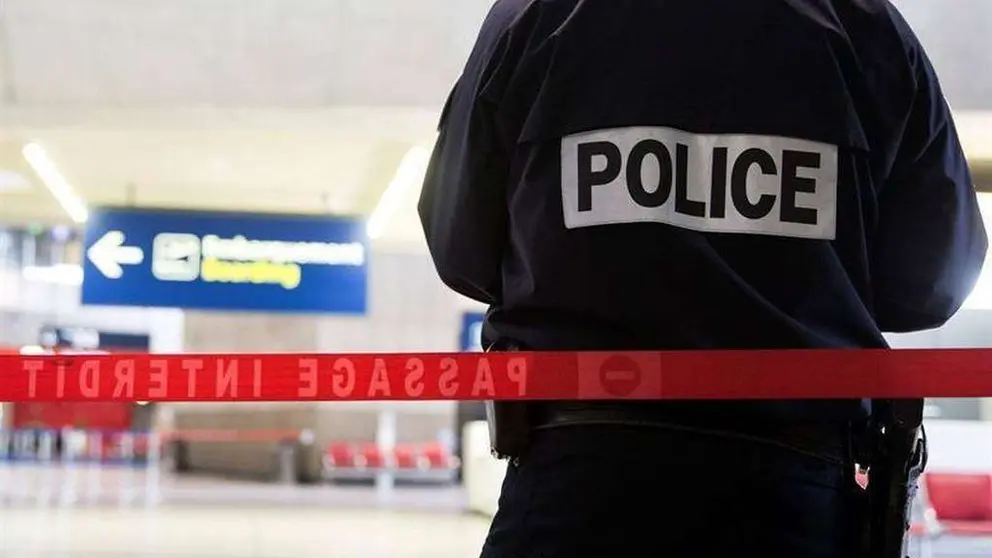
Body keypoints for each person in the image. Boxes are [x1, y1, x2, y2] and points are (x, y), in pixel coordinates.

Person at [418, 0, 989, 556]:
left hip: (571, 483)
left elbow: (459, 247)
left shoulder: (536, 16)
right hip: (794, 493)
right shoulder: (867, 29)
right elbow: (932, 283)